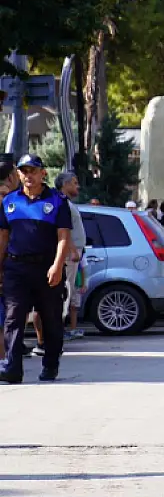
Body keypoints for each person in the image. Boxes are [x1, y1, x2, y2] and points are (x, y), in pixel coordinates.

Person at [0, 155, 73, 382]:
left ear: (43, 174)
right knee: (13, 317)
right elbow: (3, 236)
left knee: (50, 319)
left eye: (33, 171)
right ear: (19, 174)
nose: (28, 175)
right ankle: (12, 368)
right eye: (24, 171)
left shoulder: (58, 201)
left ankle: (50, 364)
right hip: (16, 267)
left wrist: (57, 266)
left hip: (46, 268)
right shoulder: (9, 202)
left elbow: (63, 237)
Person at [55, 171, 87, 341]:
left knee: (68, 292)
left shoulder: (68, 203)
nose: (77, 186)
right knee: (64, 292)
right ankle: (56, 332)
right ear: (65, 185)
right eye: (74, 183)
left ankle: (59, 331)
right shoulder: (61, 203)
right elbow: (63, 230)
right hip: (68, 255)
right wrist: (73, 249)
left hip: (73, 254)